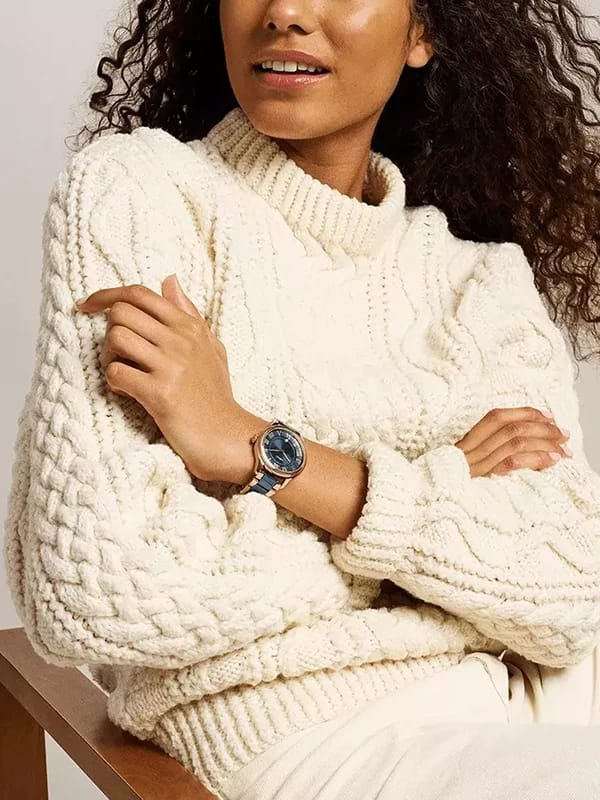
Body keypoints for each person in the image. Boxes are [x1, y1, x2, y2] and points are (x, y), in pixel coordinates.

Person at [5, 0, 600, 798]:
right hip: (314, 742)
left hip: (543, 705)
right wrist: (446, 524)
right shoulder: (140, 195)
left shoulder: (482, 282)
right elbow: (103, 594)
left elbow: (570, 592)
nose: (285, 11)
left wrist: (255, 446)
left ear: (424, 31)